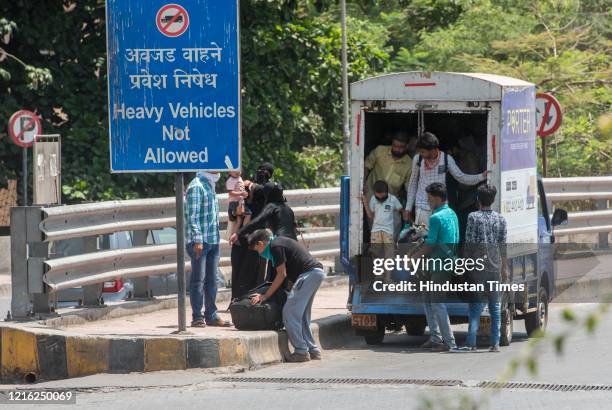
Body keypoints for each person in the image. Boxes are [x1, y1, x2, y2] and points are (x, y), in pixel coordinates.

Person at [248, 228, 326, 363]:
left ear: (260, 244)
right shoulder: (279, 242)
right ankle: (313, 350)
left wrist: (264, 296)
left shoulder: (275, 246)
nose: (259, 254)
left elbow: (281, 274)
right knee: (301, 316)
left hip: (308, 275)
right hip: (314, 273)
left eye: (257, 250)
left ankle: (301, 351)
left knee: (289, 313)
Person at [452, 184, 507, 353]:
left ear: (478, 200)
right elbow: (503, 245)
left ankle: (471, 343)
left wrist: (464, 264)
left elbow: (469, 244)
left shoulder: (473, 217)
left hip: (477, 267)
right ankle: (495, 343)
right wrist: (504, 267)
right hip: (495, 266)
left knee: (475, 307)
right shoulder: (500, 219)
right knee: (495, 307)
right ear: (493, 199)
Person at [404, 132, 490, 227]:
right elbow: (412, 184)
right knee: (423, 237)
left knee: (440, 238)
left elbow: (461, 177)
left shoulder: (446, 159)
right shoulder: (418, 159)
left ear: (432, 150)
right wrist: (408, 208)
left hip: (440, 207)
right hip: (422, 207)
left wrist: (481, 176)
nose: (421, 154)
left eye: (423, 151)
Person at [185, 171, 232, 328]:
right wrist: (198, 239)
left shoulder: (210, 185)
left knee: (212, 281)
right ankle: (197, 317)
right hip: (200, 241)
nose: (218, 168)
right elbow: (192, 216)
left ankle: (211, 315)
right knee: (198, 280)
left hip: (212, 240)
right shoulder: (197, 186)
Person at [416, 183, 459, 352]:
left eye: (429, 198)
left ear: (436, 198)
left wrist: (412, 258)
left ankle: (449, 343)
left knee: (437, 302)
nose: (427, 202)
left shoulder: (436, 218)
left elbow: (430, 245)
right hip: (446, 263)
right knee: (427, 299)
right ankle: (436, 338)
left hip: (439, 266)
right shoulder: (452, 214)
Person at [361, 180, 403, 282]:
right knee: (376, 253)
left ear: (387, 192)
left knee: (389, 254)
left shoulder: (393, 199)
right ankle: (378, 275)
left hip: (388, 231)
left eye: (382, 197)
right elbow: (370, 215)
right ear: (374, 193)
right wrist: (365, 202)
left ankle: (387, 278)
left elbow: (401, 210)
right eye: (377, 197)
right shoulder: (372, 200)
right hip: (376, 230)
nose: (380, 199)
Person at [363, 132, 412, 201]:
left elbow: (409, 189)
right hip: (369, 197)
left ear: (407, 146)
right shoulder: (379, 151)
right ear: (392, 143)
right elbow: (366, 166)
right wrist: (363, 182)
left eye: (401, 147)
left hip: (389, 204)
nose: (397, 149)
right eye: (395, 146)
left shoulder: (410, 164)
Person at [225, 170, 251, 238]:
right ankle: (244, 231)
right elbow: (231, 192)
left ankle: (233, 236)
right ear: (229, 172)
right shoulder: (230, 180)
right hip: (235, 202)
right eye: (234, 171)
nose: (237, 172)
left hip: (240, 201)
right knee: (248, 214)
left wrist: (244, 194)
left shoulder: (239, 178)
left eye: (238, 170)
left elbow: (240, 188)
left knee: (238, 220)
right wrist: (241, 193)